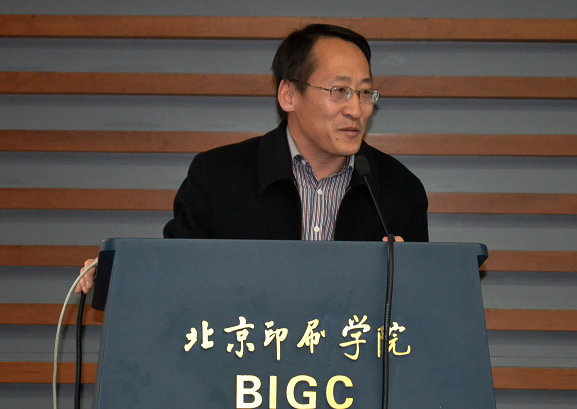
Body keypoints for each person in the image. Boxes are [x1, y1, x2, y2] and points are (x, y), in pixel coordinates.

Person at [76, 24, 428, 294]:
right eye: (340, 91)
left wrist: (408, 279)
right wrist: (120, 275)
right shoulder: (217, 178)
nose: (356, 109)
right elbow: (176, 276)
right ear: (289, 95)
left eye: (364, 92)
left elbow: (423, 312)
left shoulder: (399, 191)